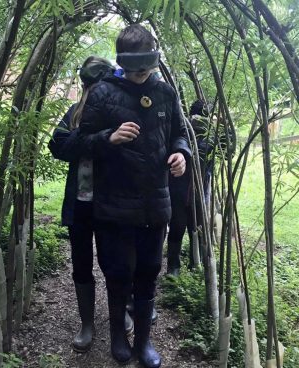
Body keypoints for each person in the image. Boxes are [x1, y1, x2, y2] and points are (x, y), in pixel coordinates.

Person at [78, 24, 191, 368]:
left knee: (148, 273)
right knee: (117, 274)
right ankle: (117, 336)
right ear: (123, 63)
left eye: (146, 69)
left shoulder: (165, 93)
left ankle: (143, 343)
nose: (141, 76)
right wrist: (109, 138)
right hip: (114, 206)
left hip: (155, 205)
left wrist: (181, 154)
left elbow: (179, 133)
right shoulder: (102, 94)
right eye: (134, 69)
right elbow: (81, 143)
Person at [48, 56, 133, 353]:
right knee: (81, 264)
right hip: (80, 204)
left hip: (112, 205)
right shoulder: (74, 114)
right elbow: (57, 145)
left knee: (115, 264)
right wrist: (102, 139)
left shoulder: (119, 113)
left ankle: (119, 313)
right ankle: (87, 323)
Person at [167, 99, 215, 276]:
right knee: (178, 226)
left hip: (200, 191)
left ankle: (197, 265)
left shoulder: (212, 133)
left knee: (199, 228)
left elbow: (227, 150)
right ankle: (174, 266)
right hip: (179, 189)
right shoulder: (183, 130)